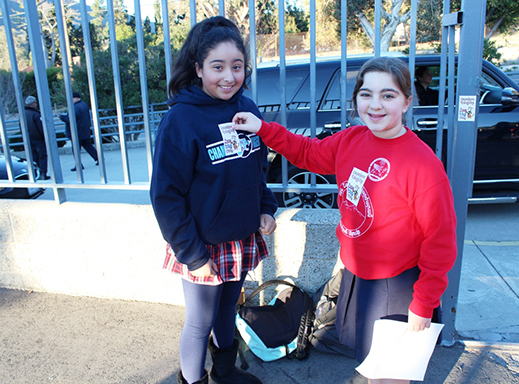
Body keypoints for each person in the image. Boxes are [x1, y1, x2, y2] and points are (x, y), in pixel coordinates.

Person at [233, 57, 457, 384]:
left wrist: (424, 302)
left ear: (408, 101)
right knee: (370, 365)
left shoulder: (423, 165)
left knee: (391, 376)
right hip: (358, 279)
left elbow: (440, 242)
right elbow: (307, 152)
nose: (375, 105)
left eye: (388, 95)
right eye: (366, 94)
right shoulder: (351, 140)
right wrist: (263, 129)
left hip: (397, 287)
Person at [149, 16, 277, 384]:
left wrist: (266, 209)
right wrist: (193, 255)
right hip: (201, 246)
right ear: (198, 69)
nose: (228, 76)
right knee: (200, 322)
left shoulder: (248, 109)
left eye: (237, 67)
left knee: (227, 314)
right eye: (217, 66)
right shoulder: (181, 120)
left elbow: (256, 173)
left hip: (240, 238)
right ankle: (193, 381)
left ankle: (224, 372)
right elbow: (165, 196)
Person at [59, 92, 99, 171]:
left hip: (76, 132)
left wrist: (61, 117)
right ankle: (98, 158)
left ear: (76, 98)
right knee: (88, 146)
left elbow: (69, 119)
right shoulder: (84, 105)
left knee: (76, 149)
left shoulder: (74, 107)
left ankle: (78, 164)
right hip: (84, 130)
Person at [24, 96, 50, 180]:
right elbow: (41, 127)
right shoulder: (36, 114)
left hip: (29, 139)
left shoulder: (23, 114)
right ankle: (43, 173)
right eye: (35, 102)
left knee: (33, 157)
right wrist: (45, 137)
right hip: (38, 139)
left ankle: (35, 174)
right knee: (42, 157)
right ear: (32, 104)